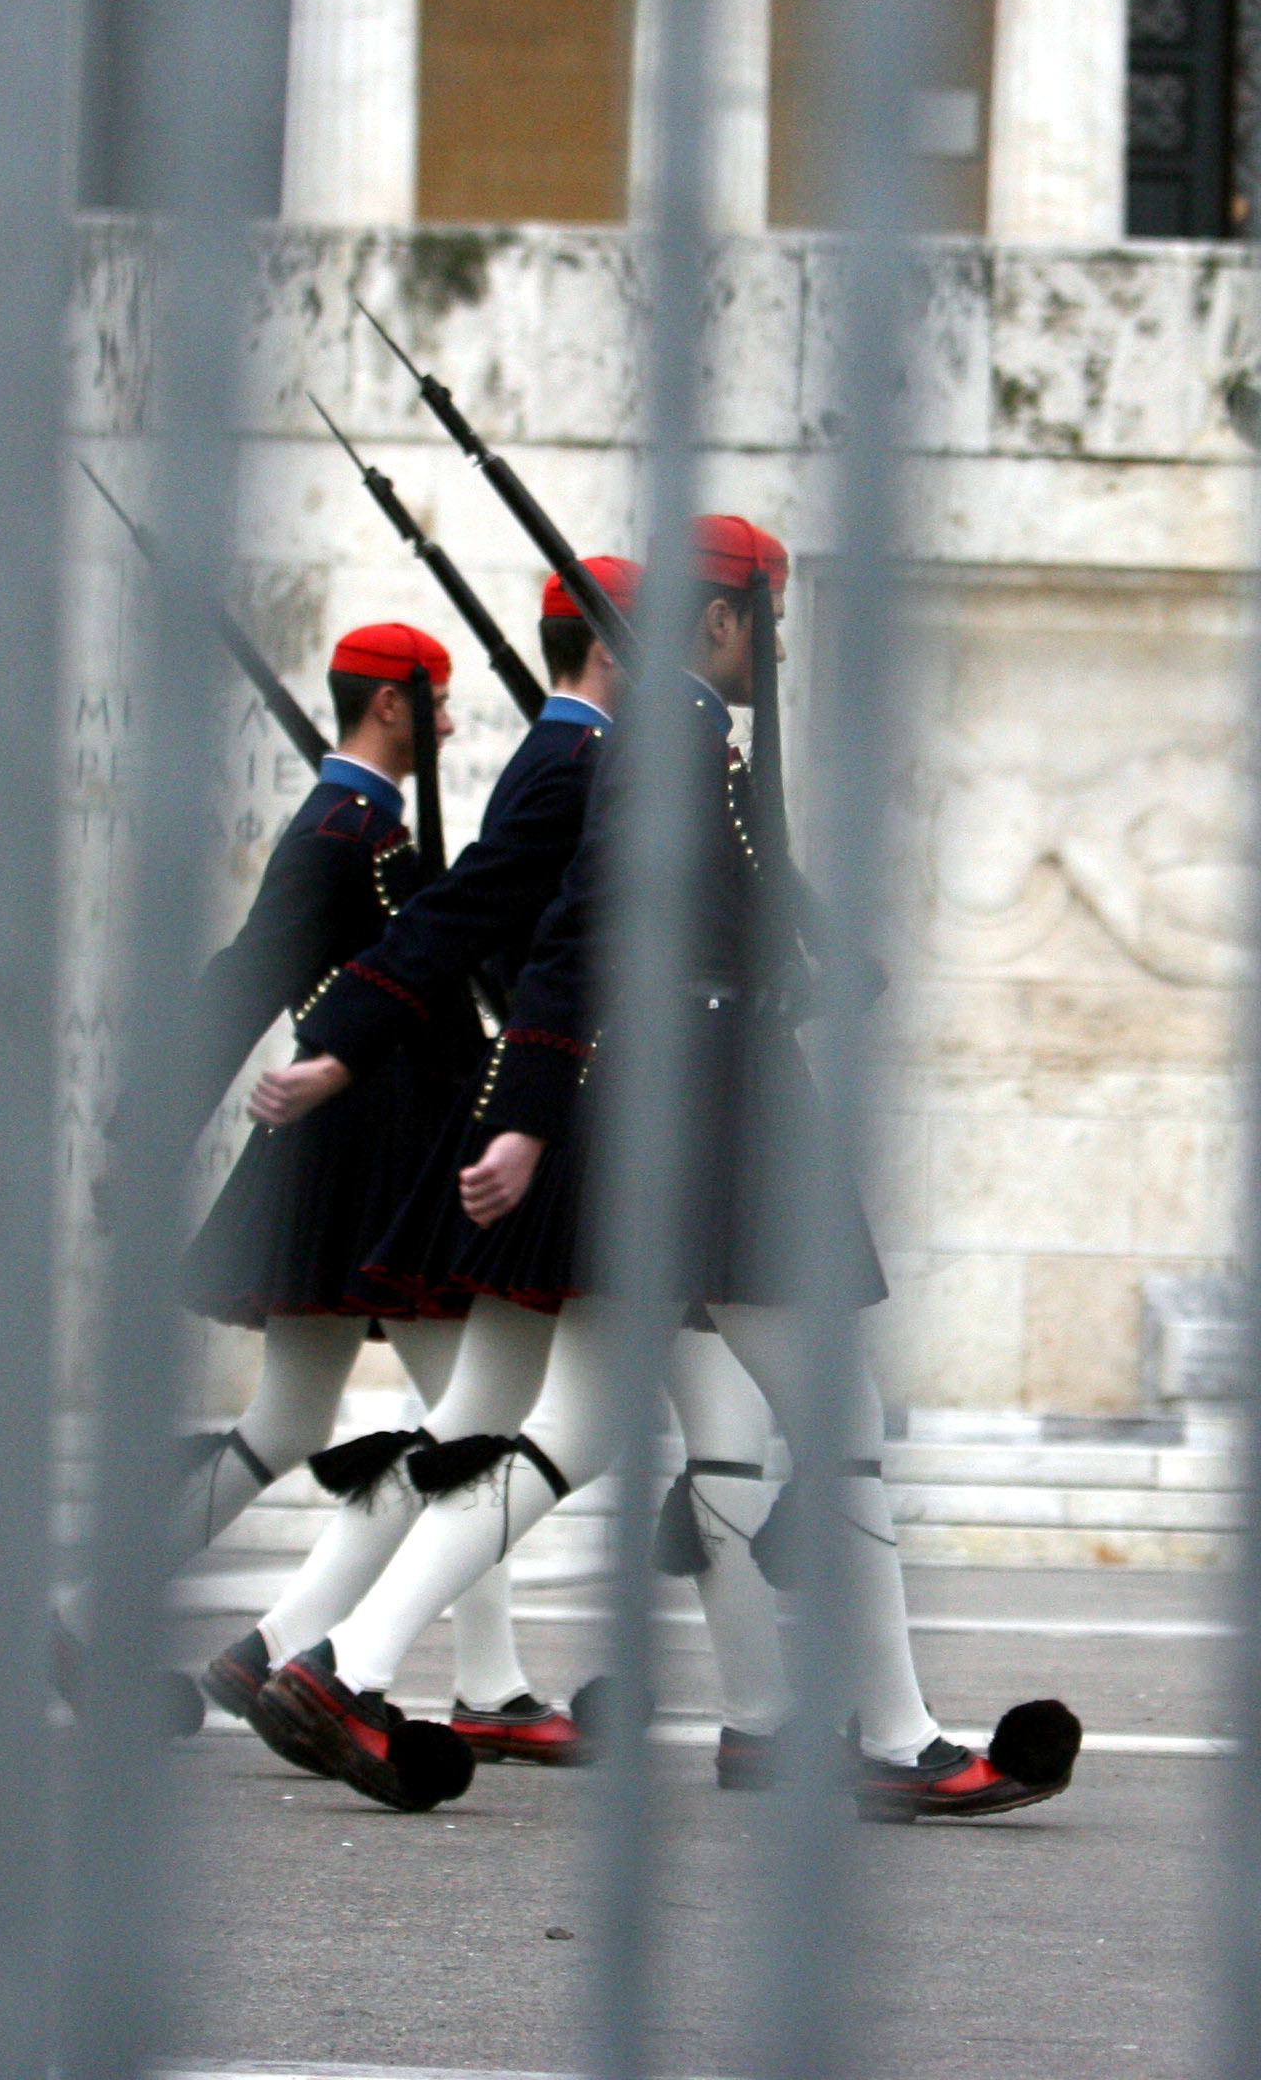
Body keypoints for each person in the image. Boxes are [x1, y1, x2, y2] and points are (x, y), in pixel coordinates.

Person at [248, 517, 1079, 1821]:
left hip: (671, 1090)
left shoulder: (679, 742)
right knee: (839, 1415)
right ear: (718, 621)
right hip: (706, 1106)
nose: (782, 646)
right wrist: (498, 1107)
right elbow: (558, 928)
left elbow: (552, 905)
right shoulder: (662, 745)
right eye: (772, 619)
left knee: (572, 1423)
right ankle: (898, 1733)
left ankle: (344, 1663)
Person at [222, 559, 807, 1806]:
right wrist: (359, 1050)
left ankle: (316, 1652)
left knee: (519, 1423)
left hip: (555, 1116)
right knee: (589, 1426)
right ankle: (330, 1657)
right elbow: (501, 929)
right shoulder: (586, 758)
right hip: (578, 1127)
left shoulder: (628, 751)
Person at [60, 622, 556, 1764]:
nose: (446, 726)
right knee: (472, 1425)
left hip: (361, 1158)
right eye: (433, 706)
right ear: (390, 706)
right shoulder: (338, 834)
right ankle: (479, 1679)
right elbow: (246, 975)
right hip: (373, 1161)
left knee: (293, 1420)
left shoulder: (369, 827)